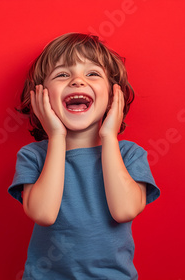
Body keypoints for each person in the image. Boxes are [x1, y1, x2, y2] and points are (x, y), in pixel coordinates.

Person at [8, 33, 160, 279]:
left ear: (113, 95)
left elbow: (124, 210)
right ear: (40, 96)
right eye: (62, 74)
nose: (77, 81)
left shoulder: (129, 154)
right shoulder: (33, 156)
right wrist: (56, 136)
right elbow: (43, 214)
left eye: (92, 74)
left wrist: (109, 136)